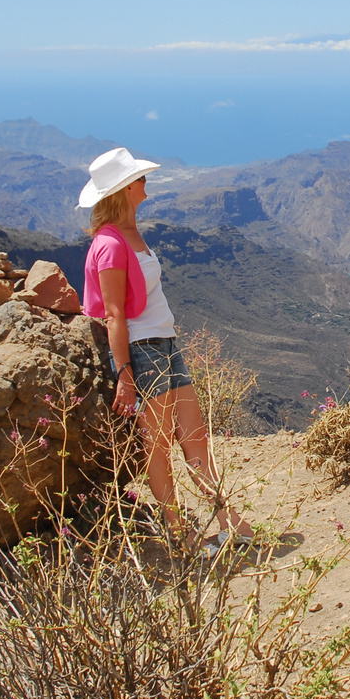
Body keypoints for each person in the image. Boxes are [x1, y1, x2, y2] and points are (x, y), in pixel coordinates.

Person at [78, 147, 253, 547]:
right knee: (156, 446)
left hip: (166, 344)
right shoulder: (107, 244)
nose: (145, 182)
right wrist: (124, 374)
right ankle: (181, 535)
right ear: (124, 188)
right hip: (142, 350)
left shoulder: (132, 232)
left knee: (196, 439)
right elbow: (114, 315)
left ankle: (229, 522)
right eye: (139, 178)